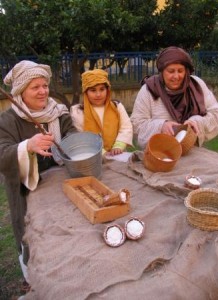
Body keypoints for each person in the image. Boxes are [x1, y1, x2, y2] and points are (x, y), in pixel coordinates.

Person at [0, 60, 76, 274]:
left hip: (61, 189)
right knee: (33, 238)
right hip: (27, 194)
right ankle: (33, 277)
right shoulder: (8, 120)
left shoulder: (58, 112)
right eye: (35, 87)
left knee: (63, 236)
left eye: (45, 85)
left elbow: (72, 134)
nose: (43, 92)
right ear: (21, 91)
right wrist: (27, 146)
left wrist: (78, 144)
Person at [130, 46, 218, 149]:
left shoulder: (197, 85)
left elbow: (215, 114)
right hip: (160, 152)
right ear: (162, 71)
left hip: (191, 150)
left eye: (180, 71)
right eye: (171, 71)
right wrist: (161, 126)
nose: (176, 76)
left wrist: (196, 122)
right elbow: (136, 124)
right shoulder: (149, 90)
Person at [70, 69, 133, 156]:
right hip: (92, 156)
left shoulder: (117, 107)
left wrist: (118, 146)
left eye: (102, 89)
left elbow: (126, 127)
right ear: (85, 92)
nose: (98, 94)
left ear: (107, 90)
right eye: (93, 90)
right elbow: (81, 137)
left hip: (118, 155)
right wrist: (101, 152)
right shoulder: (77, 111)